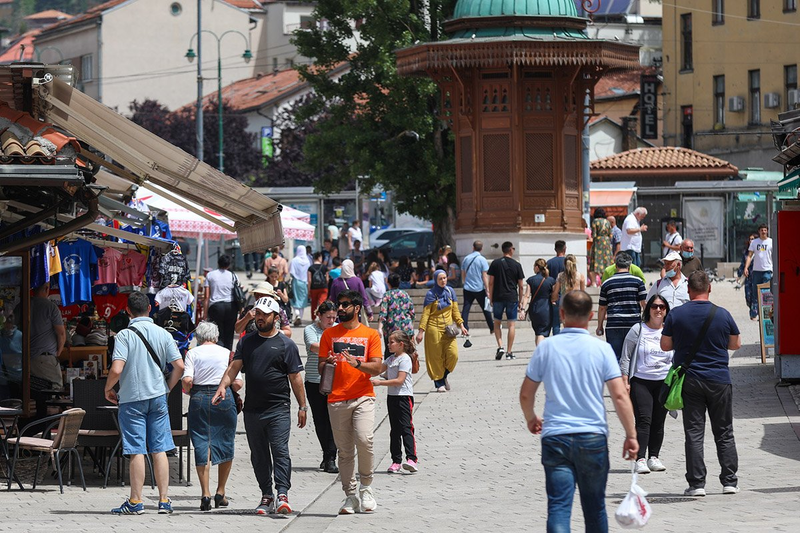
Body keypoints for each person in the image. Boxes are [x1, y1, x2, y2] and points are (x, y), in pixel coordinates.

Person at [519, 290, 638, 533]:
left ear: (561, 314)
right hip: (592, 437)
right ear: (592, 315)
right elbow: (619, 395)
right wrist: (631, 434)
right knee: (594, 508)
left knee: (559, 507)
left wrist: (531, 418)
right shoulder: (602, 350)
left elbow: (525, 393)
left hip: (556, 436)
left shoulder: (546, 348)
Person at [213, 297, 308, 516]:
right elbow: (233, 367)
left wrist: (302, 406)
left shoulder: (287, 345)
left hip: (278, 409)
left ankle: (282, 493)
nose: (260, 318)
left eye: (265, 314)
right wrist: (222, 387)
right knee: (259, 455)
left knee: (280, 451)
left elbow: (295, 378)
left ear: (276, 317)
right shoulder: (247, 341)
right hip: (253, 409)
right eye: (257, 314)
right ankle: (267, 495)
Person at [661, 270, 741, 497]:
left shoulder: (677, 314)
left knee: (694, 433)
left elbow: (665, 346)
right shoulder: (723, 314)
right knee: (724, 431)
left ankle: (697, 484)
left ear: (688, 290)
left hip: (691, 381)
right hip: (719, 380)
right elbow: (735, 344)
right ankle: (729, 481)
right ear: (710, 288)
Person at [105, 292, 185, 515]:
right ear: (149, 309)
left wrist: (108, 387)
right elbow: (179, 366)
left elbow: (117, 368)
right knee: (160, 449)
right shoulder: (163, 333)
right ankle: (164, 500)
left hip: (132, 399)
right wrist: (168, 387)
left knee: (136, 450)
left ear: (128, 311)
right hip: (158, 395)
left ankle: (136, 501)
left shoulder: (124, 336)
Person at [318, 290, 383, 515]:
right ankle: (350, 496)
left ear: (357, 308)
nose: (340, 309)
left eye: (345, 305)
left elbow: (377, 367)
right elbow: (320, 369)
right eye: (339, 305)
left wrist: (357, 364)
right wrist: (327, 362)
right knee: (344, 452)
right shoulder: (329, 335)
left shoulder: (370, 335)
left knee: (365, 439)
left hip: (363, 396)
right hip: (336, 399)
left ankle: (366, 488)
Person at [182, 321, 242, 511]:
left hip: (199, 398)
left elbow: (187, 380)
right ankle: (220, 492)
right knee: (225, 441)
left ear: (198, 338)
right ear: (216, 337)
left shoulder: (192, 353)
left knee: (201, 443)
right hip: (223, 397)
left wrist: (188, 389)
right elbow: (238, 384)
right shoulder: (227, 353)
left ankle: (205, 493)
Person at [619, 295, 674, 475]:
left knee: (659, 421)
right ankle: (640, 458)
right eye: (655, 306)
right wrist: (625, 380)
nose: (658, 310)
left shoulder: (670, 331)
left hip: (664, 382)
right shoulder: (638, 330)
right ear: (648, 309)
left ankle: (654, 457)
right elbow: (626, 356)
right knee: (644, 420)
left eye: (662, 307)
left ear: (666, 311)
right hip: (641, 381)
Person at [371, 330, 419, 474]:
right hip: (392, 397)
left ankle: (412, 459)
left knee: (406, 428)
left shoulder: (405, 359)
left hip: (404, 397)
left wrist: (379, 383)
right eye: (388, 342)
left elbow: (399, 381)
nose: (389, 344)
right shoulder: (391, 359)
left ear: (401, 344)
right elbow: (378, 369)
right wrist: (360, 368)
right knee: (394, 431)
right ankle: (396, 461)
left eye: (392, 342)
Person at [416, 270, 468, 392]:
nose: (443, 280)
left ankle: (443, 375)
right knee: (436, 357)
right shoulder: (430, 294)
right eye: (440, 279)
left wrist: (461, 325)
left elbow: (455, 311)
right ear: (436, 280)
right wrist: (421, 331)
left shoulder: (450, 291)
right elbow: (425, 314)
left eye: (445, 278)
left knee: (453, 354)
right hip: (434, 329)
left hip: (449, 329)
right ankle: (439, 383)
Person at [303, 301, 339, 474]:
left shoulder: (339, 329)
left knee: (334, 419)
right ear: (319, 315)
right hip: (314, 380)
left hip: (335, 380)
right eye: (328, 317)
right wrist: (335, 348)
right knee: (320, 420)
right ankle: (327, 454)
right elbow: (313, 346)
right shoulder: (310, 330)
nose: (331, 321)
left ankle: (331, 456)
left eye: (334, 317)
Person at [596, 252, 646, 360]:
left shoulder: (606, 283)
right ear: (630, 265)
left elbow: (602, 307)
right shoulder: (638, 282)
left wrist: (599, 326)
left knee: (615, 358)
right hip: (634, 325)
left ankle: (618, 377)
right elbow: (644, 304)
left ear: (615, 265)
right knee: (633, 358)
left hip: (614, 325)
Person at [488, 241, 525, 360]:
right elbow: (520, 285)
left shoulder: (495, 263)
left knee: (497, 322)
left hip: (498, 297)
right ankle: (509, 352)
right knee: (511, 324)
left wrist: (491, 297)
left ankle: (500, 346)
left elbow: (491, 282)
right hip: (512, 297)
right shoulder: (517, 265)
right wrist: (520, 300)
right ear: (510, 250)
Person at [29, 282, 66, 390]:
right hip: (45, 356)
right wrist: (58, 352)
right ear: (46, 289)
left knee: (33, 392)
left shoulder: (23, 305)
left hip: (27, 357)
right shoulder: (50, 307)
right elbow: (61, 333)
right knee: (54, 390)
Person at [204, 254, 238, 350]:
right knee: (229, 334)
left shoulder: (210, 275)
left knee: (216, 333)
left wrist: (205, 314)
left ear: (218, 263)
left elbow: (206, 296)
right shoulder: (233, 276)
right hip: (231, 306)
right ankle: (228, 356)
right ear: (229, 265)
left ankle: (218, 354)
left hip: (216, 306)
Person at [460, 240, 494, 334]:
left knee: (466, 309)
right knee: (485, 309)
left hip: (467, 287)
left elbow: (463, 272)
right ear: (481, 248)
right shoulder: (482, 259)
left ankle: (465, 328)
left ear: (473, 247)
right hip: (479, 288)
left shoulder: (466, 258)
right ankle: (492, 327)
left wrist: (464, 282)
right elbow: (484, 275)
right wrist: (487, 289)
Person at [378, 273, 415, 356]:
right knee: (407, 352)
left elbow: (383, 313)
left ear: (388, 283)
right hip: (406, 328)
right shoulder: (405, 294)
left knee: (390, 351)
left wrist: (380, 328)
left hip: (392, 329)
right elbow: (412, 312)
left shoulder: (387, 295)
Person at [522, 259, 555, 346]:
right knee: (541, 332)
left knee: (538, 332)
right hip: (546, 308)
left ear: (537, 267)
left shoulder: (531, 280)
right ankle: (540, 352)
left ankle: (538, 351)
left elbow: (526, 296)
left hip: (534, 307)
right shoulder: (551, 280)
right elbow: (554, 295)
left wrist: (522, 309)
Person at [744, 223, 773, 321]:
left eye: (765, 230)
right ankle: (754, 314)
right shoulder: (755, 242)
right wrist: (746, 268)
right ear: (759, 231)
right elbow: (749, 256)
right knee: (755, 294)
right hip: (756, 271)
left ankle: (767, 314)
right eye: (762, 230)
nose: (763, 232)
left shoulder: (771, 242)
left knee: (767, 294)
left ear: (767, 231)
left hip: (767, 270)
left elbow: (775, 256)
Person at [551, 255, 586, 336]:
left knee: (565, 322)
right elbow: (583, 292)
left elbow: (556, 291)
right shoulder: (580, 276)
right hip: (576, 300)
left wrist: (553, 299)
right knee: (576, 322)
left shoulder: (561, 276)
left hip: (565, 300)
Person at [546, 240, 567, 336]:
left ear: (555, 249)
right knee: (568, 322)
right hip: (566, 295)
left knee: (555, 323)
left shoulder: (549, 263)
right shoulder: (568, 262)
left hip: (554, 295)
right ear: (565, 249)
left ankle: (556, 341)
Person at [589, 208, 613, 288]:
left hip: (598, 243)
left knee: (595, 262)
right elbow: (610, 234)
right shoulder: (607, 222)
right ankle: (605, 281)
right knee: (606, 262)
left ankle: (594, 283)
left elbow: (594, 235)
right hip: (606, 243)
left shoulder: (595, 221)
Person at [289, 245, 311, 326]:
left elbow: (291, 272)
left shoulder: (294, 260)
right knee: (302, 301)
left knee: (295, 300)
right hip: (305, 283)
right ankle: (300, 318)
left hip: (296, 282)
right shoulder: (308, 261)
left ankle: (297, 315)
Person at [736, 233, 758, 313]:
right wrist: (739, 275)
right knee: (748, 296)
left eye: (753, 239)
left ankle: (754, 313)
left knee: (756, 295)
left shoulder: (758, 252)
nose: (751, 241)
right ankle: (752, 309)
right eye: (750, 239)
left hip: (756, 276)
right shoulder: (746, 253)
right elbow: (742, 264)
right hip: (748, 277)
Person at [308, 252, 329, 320]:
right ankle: (323, 317)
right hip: (323, 287)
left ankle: (313, 318)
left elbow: (309, 280)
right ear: (320, 257)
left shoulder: (310, 268)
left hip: (313, 288)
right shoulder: (324, 267)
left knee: (314, 303)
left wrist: (309, 290)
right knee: (322, 302)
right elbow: (327, 279)